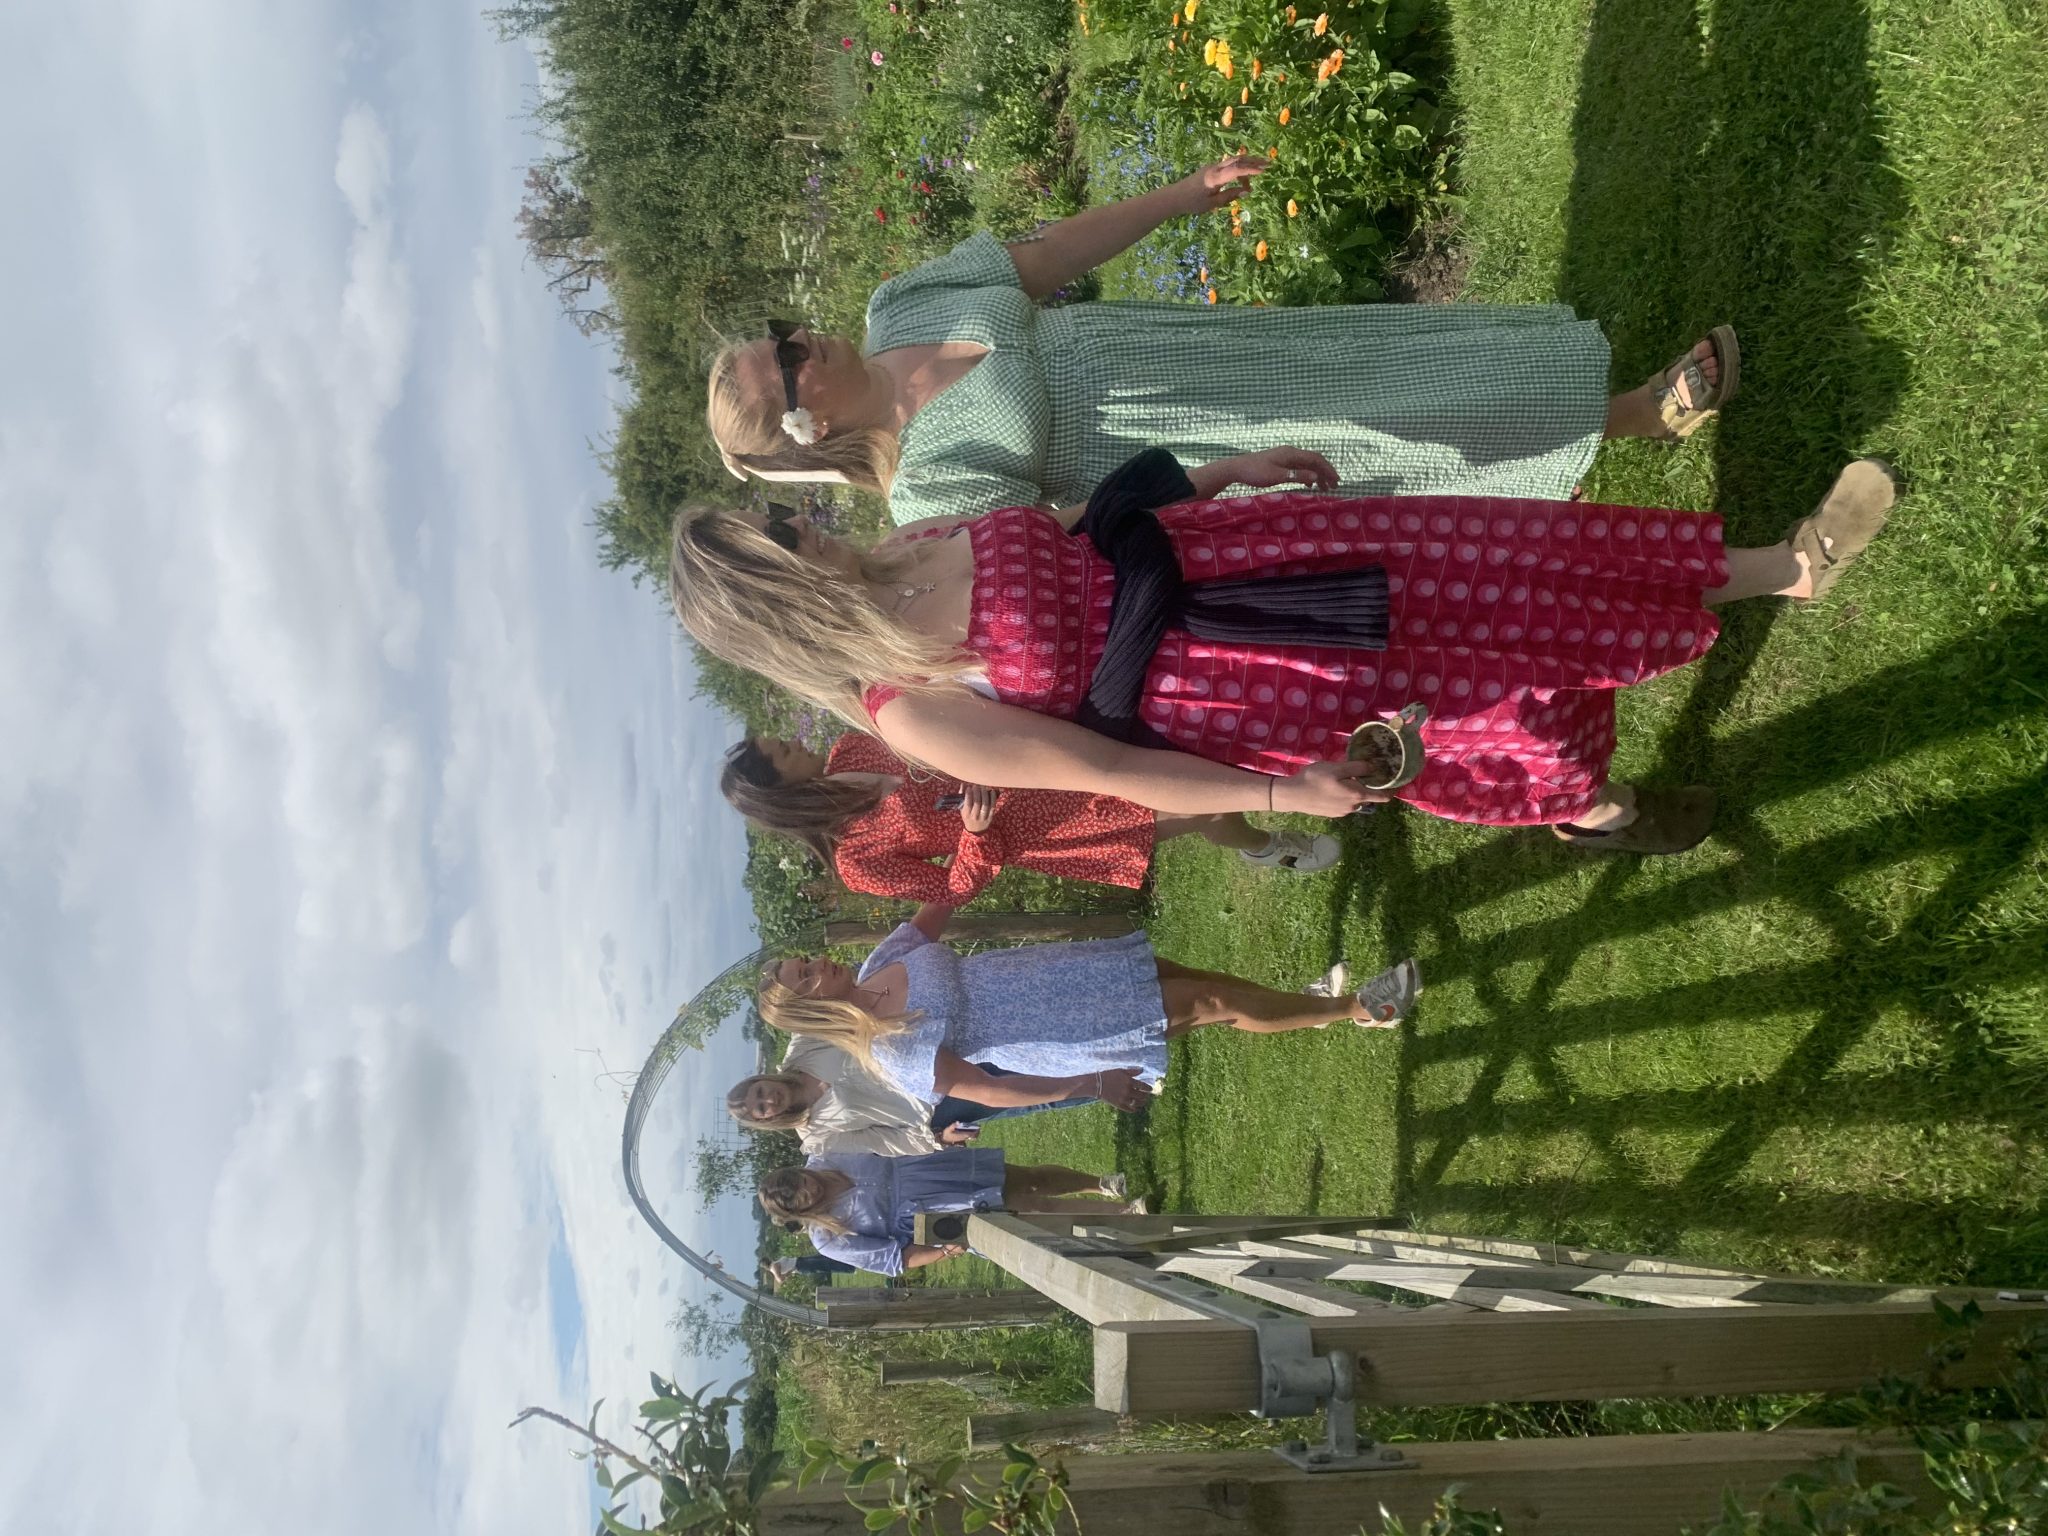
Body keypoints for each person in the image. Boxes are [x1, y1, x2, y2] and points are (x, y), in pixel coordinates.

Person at [669, 449, 1896, 853]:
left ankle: (1782, 568)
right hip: (1247, 676)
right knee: (1478, 704)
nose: (794, 521)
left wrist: (1217, 476)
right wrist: (1277, 796)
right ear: (775, 604)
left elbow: (1079, 528)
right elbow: (1109, 774)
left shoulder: (909, 538)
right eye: (774, 539)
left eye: (773, 512)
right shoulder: (911, 710)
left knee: (1508, 554)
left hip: (1252, 551)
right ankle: (1592, 809)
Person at [704, 155, 1739, 524]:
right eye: (784, 362)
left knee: (1390, 362)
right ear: (805, 425)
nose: (798, 338)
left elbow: (1047, 254)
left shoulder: (898, 307)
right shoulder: (926, 494)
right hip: (1190, 450)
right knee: (1377, 440)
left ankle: (1593, 411)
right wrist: (1209, 482)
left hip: (1192, 349)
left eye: (776, 333)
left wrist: (1180, 193)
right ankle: (1633, 419)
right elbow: (1075, 531)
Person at [756, 901, 1423, 1118]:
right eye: (805, 977)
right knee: (1208, 1004)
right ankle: (1358, 1010)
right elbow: (988, 1090)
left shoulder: (878, 963)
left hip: (1062, 972)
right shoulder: (888, 1049)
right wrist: (1089, 1085)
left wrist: (974, 839)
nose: (816, 965)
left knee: (1195, 980)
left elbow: (940, 908)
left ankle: (1308, 1002)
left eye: (804, 961)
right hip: (1063, 1028)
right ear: (810, 1011)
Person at [722, 730, 1339, 898]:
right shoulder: (857, 860)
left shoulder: (850, 749)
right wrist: (974, 835)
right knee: (1195, 808)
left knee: (1182, 774)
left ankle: (1267, 828)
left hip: (1034, 761)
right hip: (1046, 824)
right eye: (783, 753)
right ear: (784, 791)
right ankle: (1272, 841)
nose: (793, 741)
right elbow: (950, 890)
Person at [758, 1151, 1142, 1277]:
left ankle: (1101, 1185)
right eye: (801, 1199)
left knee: (1029, 1179)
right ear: (798, 1212)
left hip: (931, 1169)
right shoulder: (827, 1240)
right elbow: (894, 1258)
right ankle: (1125, 1215)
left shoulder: (826, 1155)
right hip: (936, 1218)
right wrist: (944, 1251)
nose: (810, 1189)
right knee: (1032, 1210)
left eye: (801, 1181)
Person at [727, 1032, 1090, 1159]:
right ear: (766, 1120)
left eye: (760, 1092)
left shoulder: (803, 1048)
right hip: (934, 1105)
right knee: (1033, 1094)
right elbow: (883, 1143)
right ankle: (1108, 1084)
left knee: (1022, 1051)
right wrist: (937, 1140)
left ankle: (1103, 1053)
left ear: (761, 1079)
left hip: (928, 1054)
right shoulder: (816, 1137)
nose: (768, 1099)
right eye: (761, 1109)